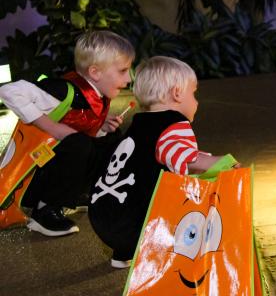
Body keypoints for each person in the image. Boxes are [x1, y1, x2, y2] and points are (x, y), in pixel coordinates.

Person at [89, 56, 229, 269]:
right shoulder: (173, 122)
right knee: (190, 212)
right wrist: (222, 162)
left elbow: (163, 152)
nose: (197, 101)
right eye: (193, 93)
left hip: (101, 216)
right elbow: (186, 158)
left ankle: (122, 255)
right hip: (135, 225)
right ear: (177, 93)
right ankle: (163, 262)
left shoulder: (139, 124)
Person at [0, 30, 135, 237]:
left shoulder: (98, 96)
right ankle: (45, 210)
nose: (129, 78)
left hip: (57, 168)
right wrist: (50, 126)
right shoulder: (63, 89)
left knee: (111, 138)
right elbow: (8, 91)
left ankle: (80, 193)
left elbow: (79, 125)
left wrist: (100, 126)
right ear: (95, 72)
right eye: (123, 70)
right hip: (34, 174)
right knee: (78, 143)